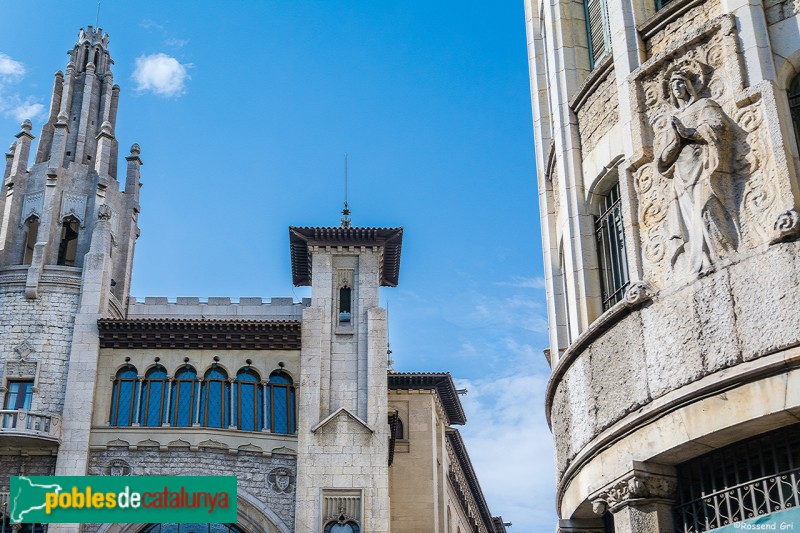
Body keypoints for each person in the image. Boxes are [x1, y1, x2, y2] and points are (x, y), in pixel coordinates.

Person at [656, 63, 737, 273]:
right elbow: (663, 158)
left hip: (704, 167)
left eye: (680, 83)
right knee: (691, 220)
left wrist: (689, 132)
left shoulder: (705, 105)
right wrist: (676, 139)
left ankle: (724, 253)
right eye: (674, 85)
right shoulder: (671, 120)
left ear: (690, 85)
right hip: (682, 176)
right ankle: (702, 262)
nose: (677, 88)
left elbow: (718, 127)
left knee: (708, 206)